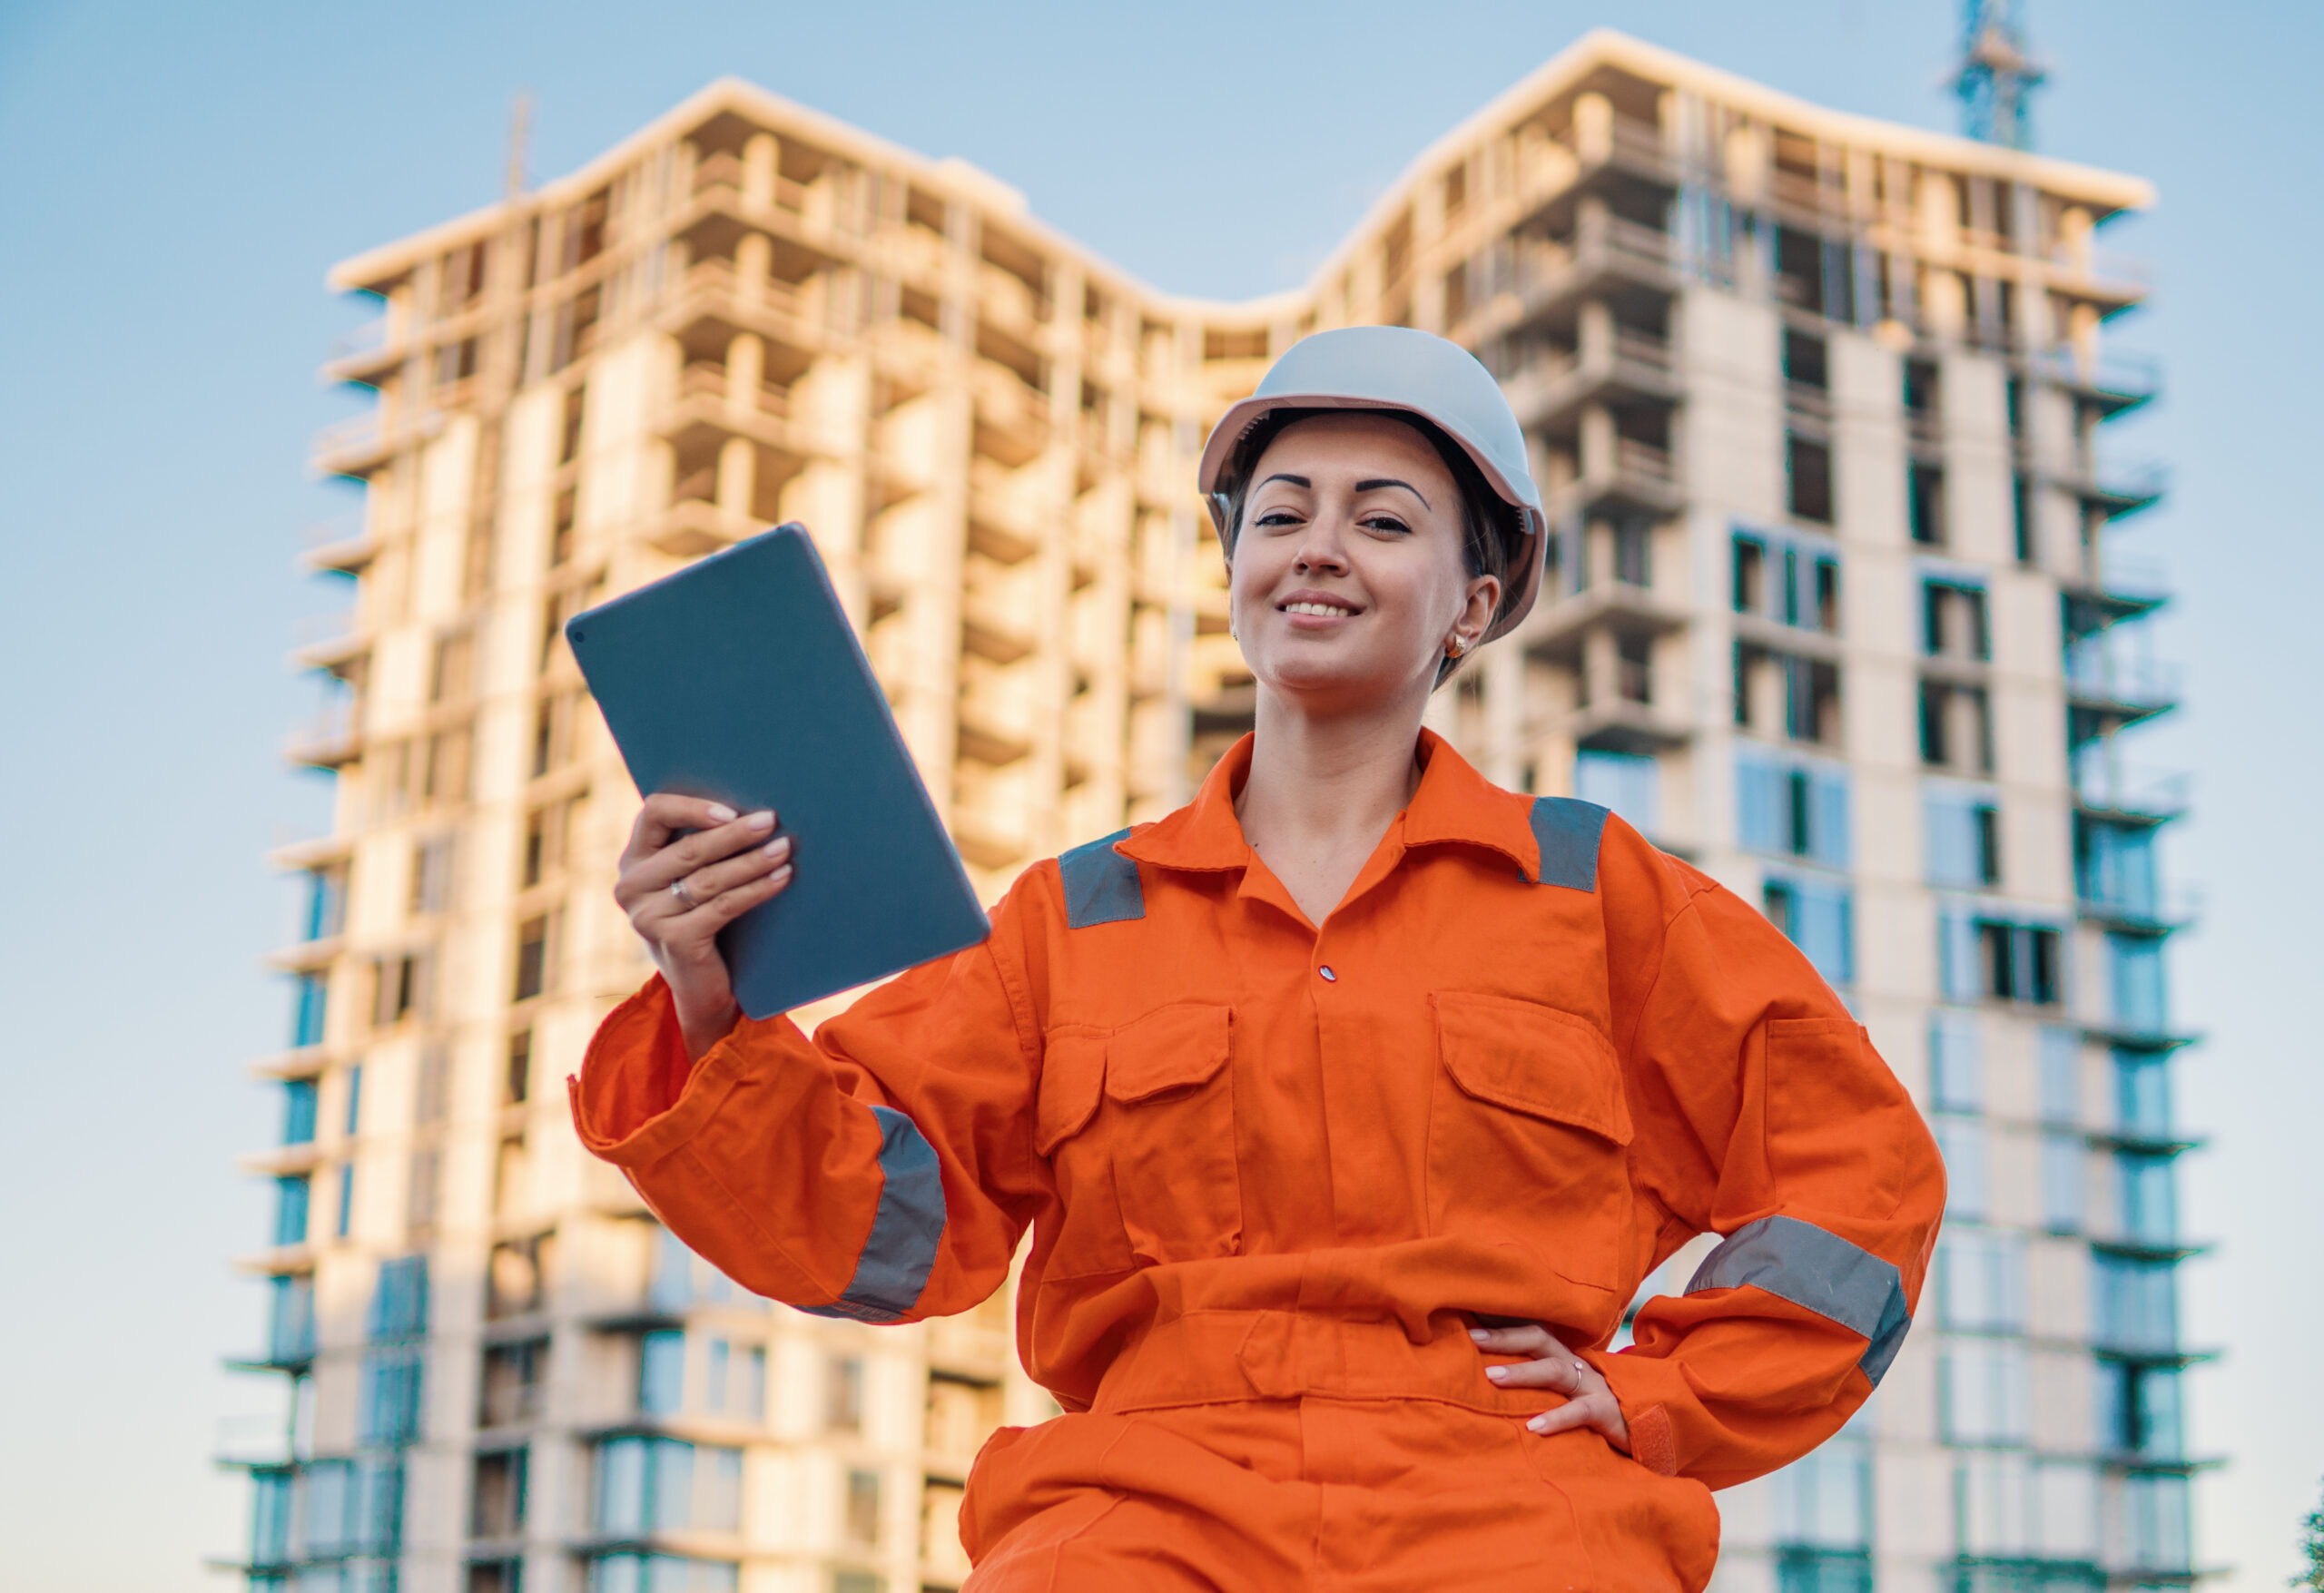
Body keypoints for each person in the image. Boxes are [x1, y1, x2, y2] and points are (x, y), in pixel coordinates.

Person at [572, 326, 1945, 1590]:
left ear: (1471, 602)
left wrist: (1662, 1401)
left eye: (1382, 520)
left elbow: (1856, 1175)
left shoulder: (1598, 898)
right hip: (1141, 1517)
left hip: (1513, 1515)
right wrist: (704, 988)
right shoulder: (1074, 920)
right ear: (1238, 577)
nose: (1318, 547)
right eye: (1281, 514)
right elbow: (868, 1230)